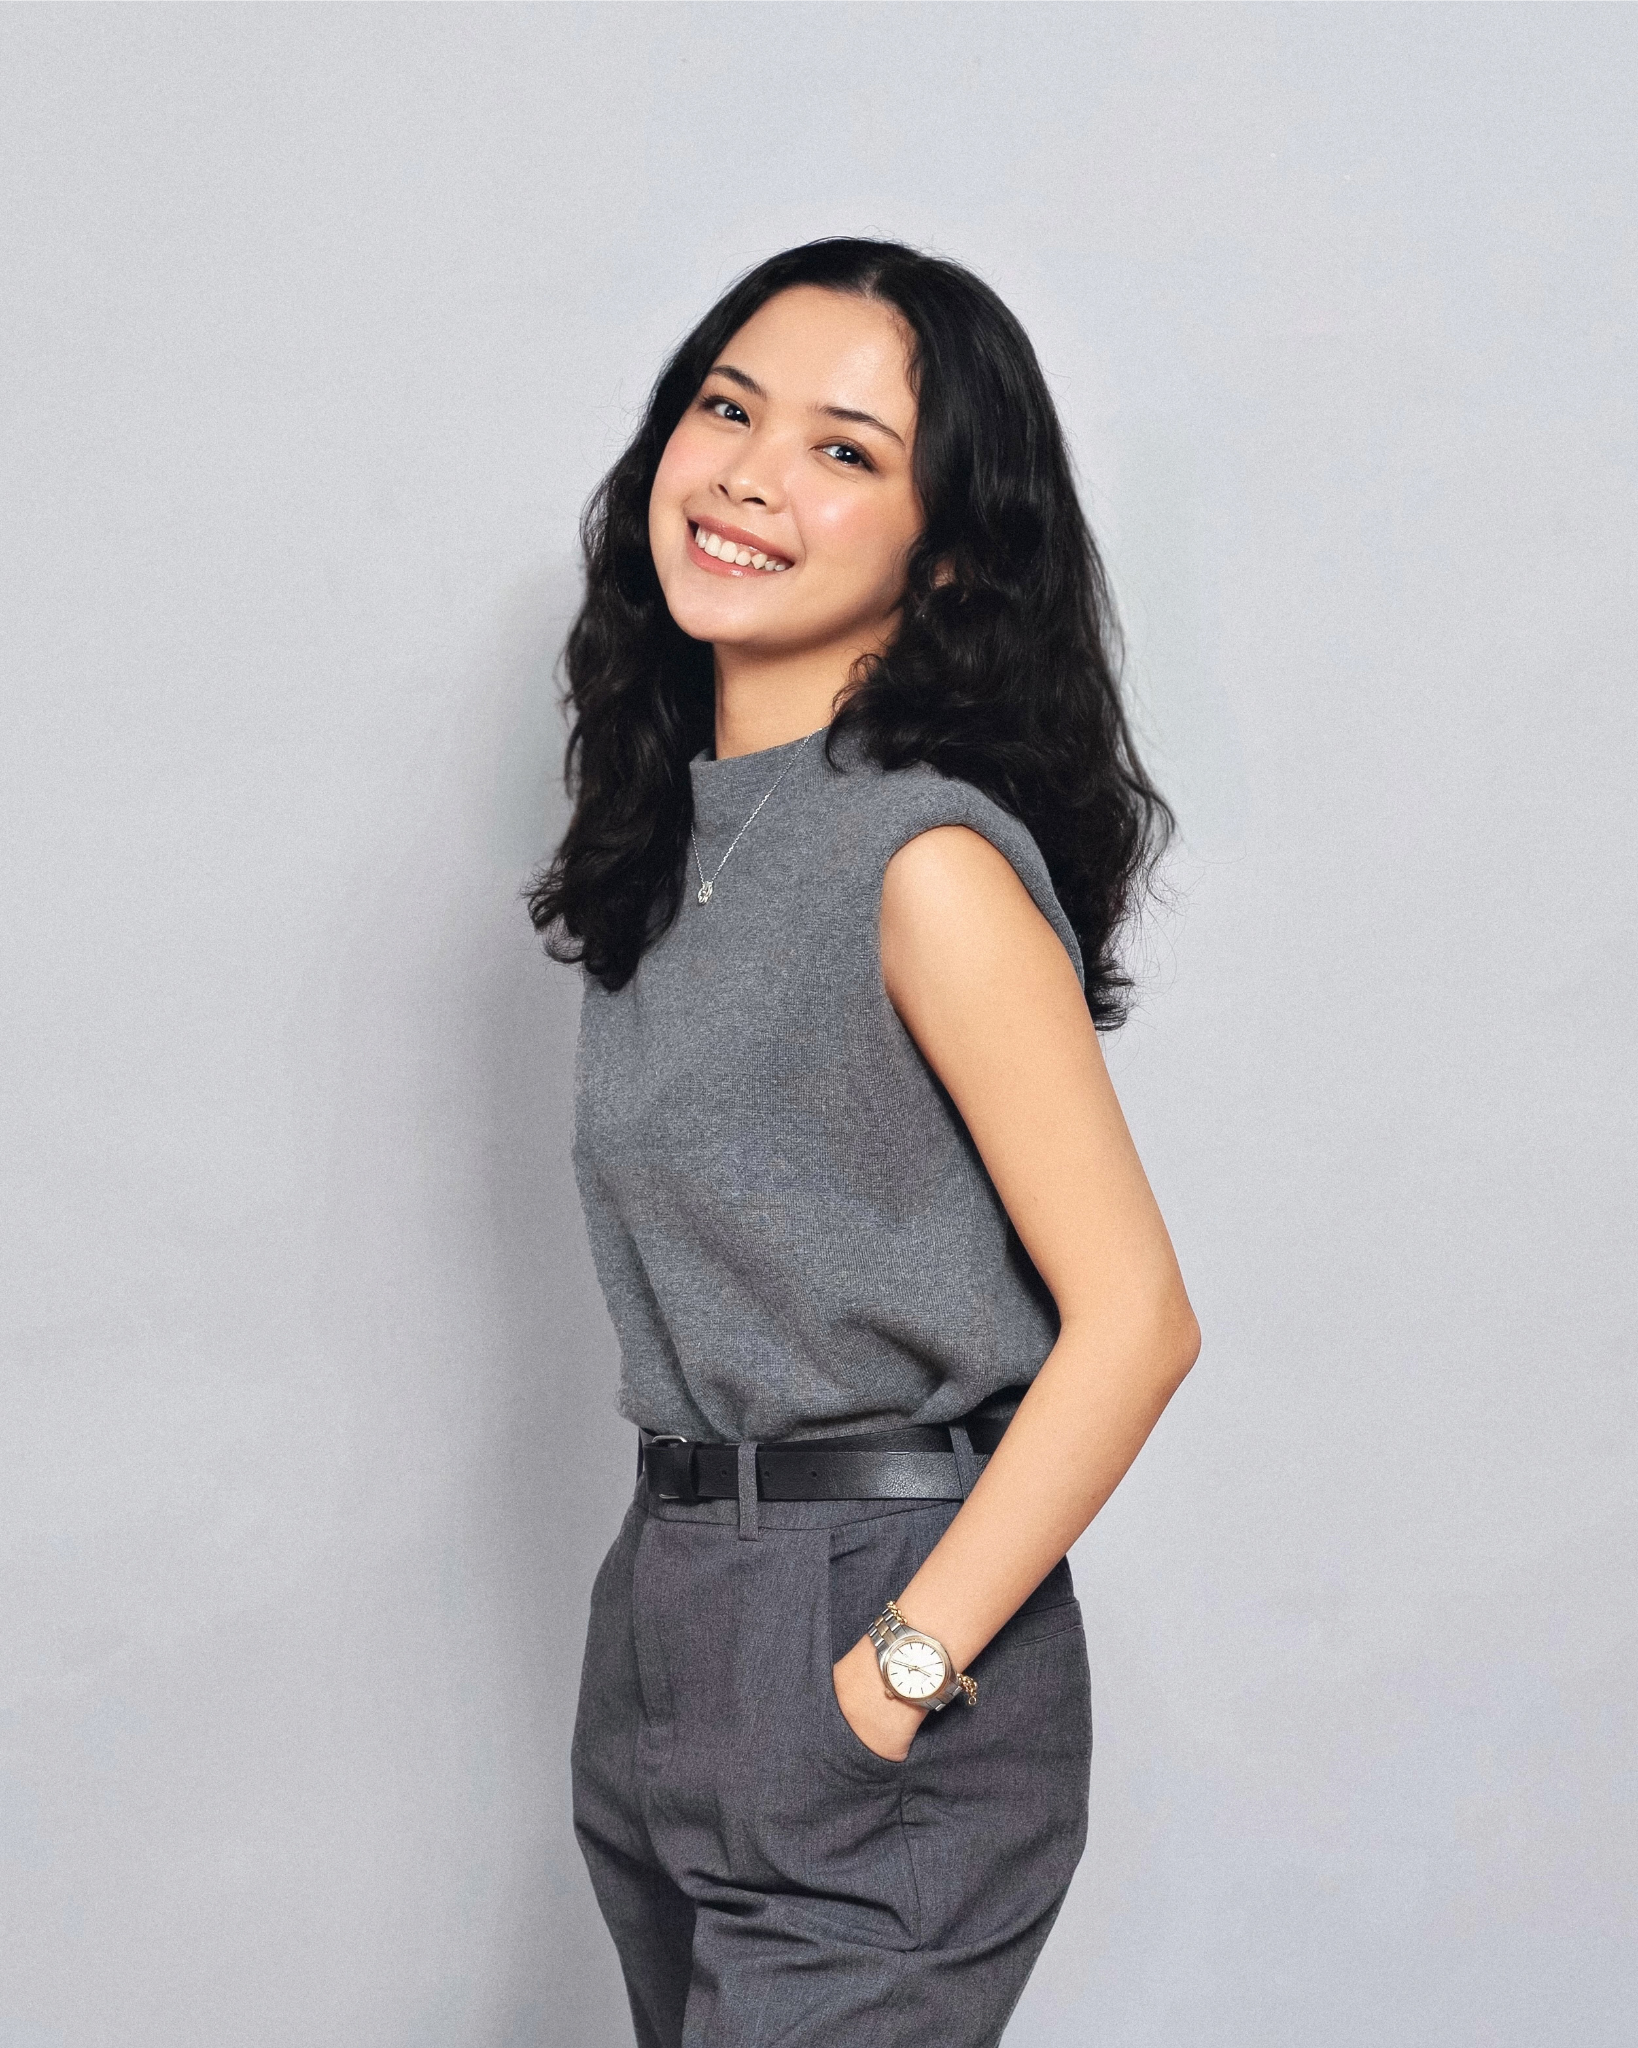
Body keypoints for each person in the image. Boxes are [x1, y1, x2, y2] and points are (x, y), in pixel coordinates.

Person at [530, 237, 1200, 2048]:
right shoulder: (681, 855)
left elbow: (1136, 1317)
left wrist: (897, 1675)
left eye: (844, 450)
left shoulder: (924, 861)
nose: (747, 472)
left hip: (868, 1602)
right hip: (671, 1602)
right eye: (726, 408)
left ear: (953, 547)